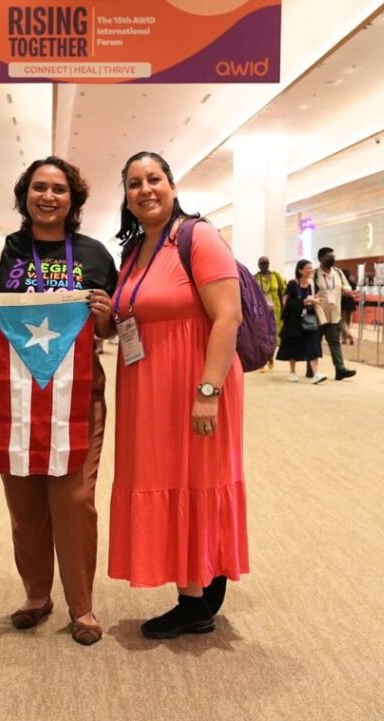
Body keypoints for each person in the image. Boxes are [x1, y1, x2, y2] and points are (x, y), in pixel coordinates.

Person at [0, 157, 117, 647]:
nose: (48, 197)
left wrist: (108, 316)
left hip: (78, 398)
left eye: (58, 189)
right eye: (38, 188)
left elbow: (113, 328)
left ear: (73, 200)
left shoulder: (94, 255)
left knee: (74, 501)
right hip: (13, 400)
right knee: (24, 500)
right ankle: (36, 595)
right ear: (24, 194)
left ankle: (82, 605)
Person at [106, 151, 247, 639]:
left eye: (154, 179)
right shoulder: (137, 249)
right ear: (125, 195)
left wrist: (208, 390)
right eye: (134, 183)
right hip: (148, 389)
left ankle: (196, 600)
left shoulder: (198, 236)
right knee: (169, 478)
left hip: (196, 383)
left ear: (171, 184)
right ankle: (196, 587)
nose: (145, 189)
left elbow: (228, 316)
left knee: (197, 478)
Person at [276, 260, 326, 384]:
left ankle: (316, 373)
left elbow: (318, 297)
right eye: (307, 268)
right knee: (293, 345)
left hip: (309, 318)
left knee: (313, 344)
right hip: (294, 320)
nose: (310, 270)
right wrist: (304, 301)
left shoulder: (312, 284)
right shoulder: (293, 284)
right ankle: (292, 372)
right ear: (300, 270)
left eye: (311, 268)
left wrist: (315, 301)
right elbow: (286, 301)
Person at [313, 248, 356, 380]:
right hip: (319, 313)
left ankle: (340, 369)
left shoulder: (338, 272)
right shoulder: (315, 274)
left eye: (333, 256)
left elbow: (346, 286)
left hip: (335, 313)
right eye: (328, 257)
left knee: (335, 342)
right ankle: (312, 369)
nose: (331, 259)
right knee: (315, 342)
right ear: (320, 258)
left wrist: (349, 291)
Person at [255, 256, 286, 372]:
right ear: (258, 265)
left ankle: (270, 357)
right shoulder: (255, 278)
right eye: (261, 263)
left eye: (265, 263)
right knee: (263, 335)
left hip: (276, 310)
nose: (263, 266)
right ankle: (263, 359)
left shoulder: (276, 276)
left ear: (269, 264)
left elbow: (283, 292)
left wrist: (284, 309)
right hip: (262, 310)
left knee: (274, 335)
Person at [340, 269, 357, 345]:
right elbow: (354, 292)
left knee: (342, 321)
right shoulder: (353, 283)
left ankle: (349, 335)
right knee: (348, 321)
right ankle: (345, 338)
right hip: (351, 303)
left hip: (343, 303)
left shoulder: (341, 283)